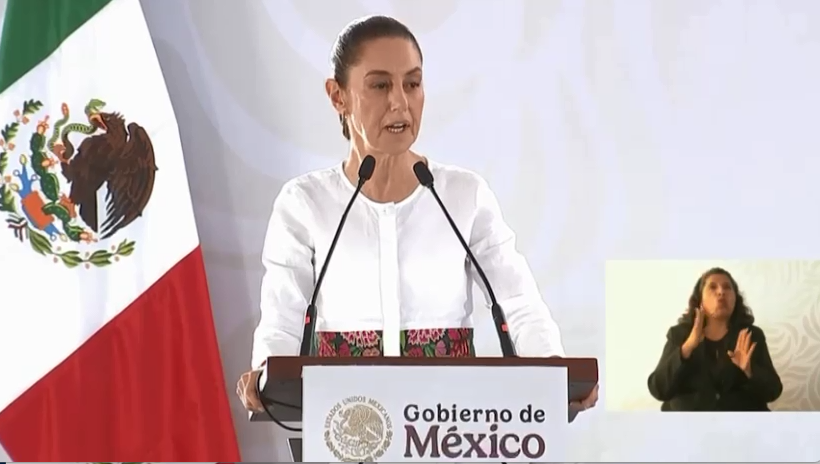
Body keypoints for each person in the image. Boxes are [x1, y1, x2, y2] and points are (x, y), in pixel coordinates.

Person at [236, 15, 598, 414]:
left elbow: (518, 301)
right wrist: (265, 372)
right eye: (379, 85)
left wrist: (551, 371)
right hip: (347, 422)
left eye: (412, 83)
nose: (400, 102)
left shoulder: (462, 195)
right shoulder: (304, 203)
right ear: (338, 96)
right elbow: (283, 316)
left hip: (451, 424)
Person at [647, 267, 783, 411]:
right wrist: (687, 348)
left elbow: (773, 391)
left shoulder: (751, 335)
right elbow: (659, 389)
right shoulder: (679, 334)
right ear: (700, 299)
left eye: (727, 288)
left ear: (735, 299)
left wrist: (749, 370)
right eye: (712, 287)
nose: (721, 292)